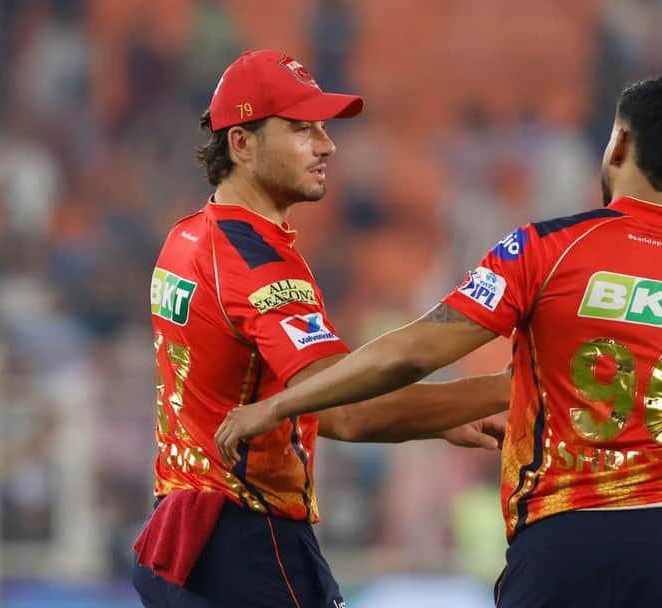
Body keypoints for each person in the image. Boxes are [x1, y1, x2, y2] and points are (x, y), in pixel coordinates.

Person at [217, 75, 662, 607]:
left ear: (617, 144)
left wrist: (281, 404)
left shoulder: (546, 248)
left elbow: (416, 352)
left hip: (568, 535)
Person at [132, 49, 510, 608]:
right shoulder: (258, 264)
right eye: (301, 129)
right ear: (242, 143)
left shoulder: (187, 236)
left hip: (182, 535)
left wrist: (438, 417)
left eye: (323, 128)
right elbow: (347, 412)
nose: (326, 145)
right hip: (249, 541)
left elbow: (315, 405)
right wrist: (504, 389)